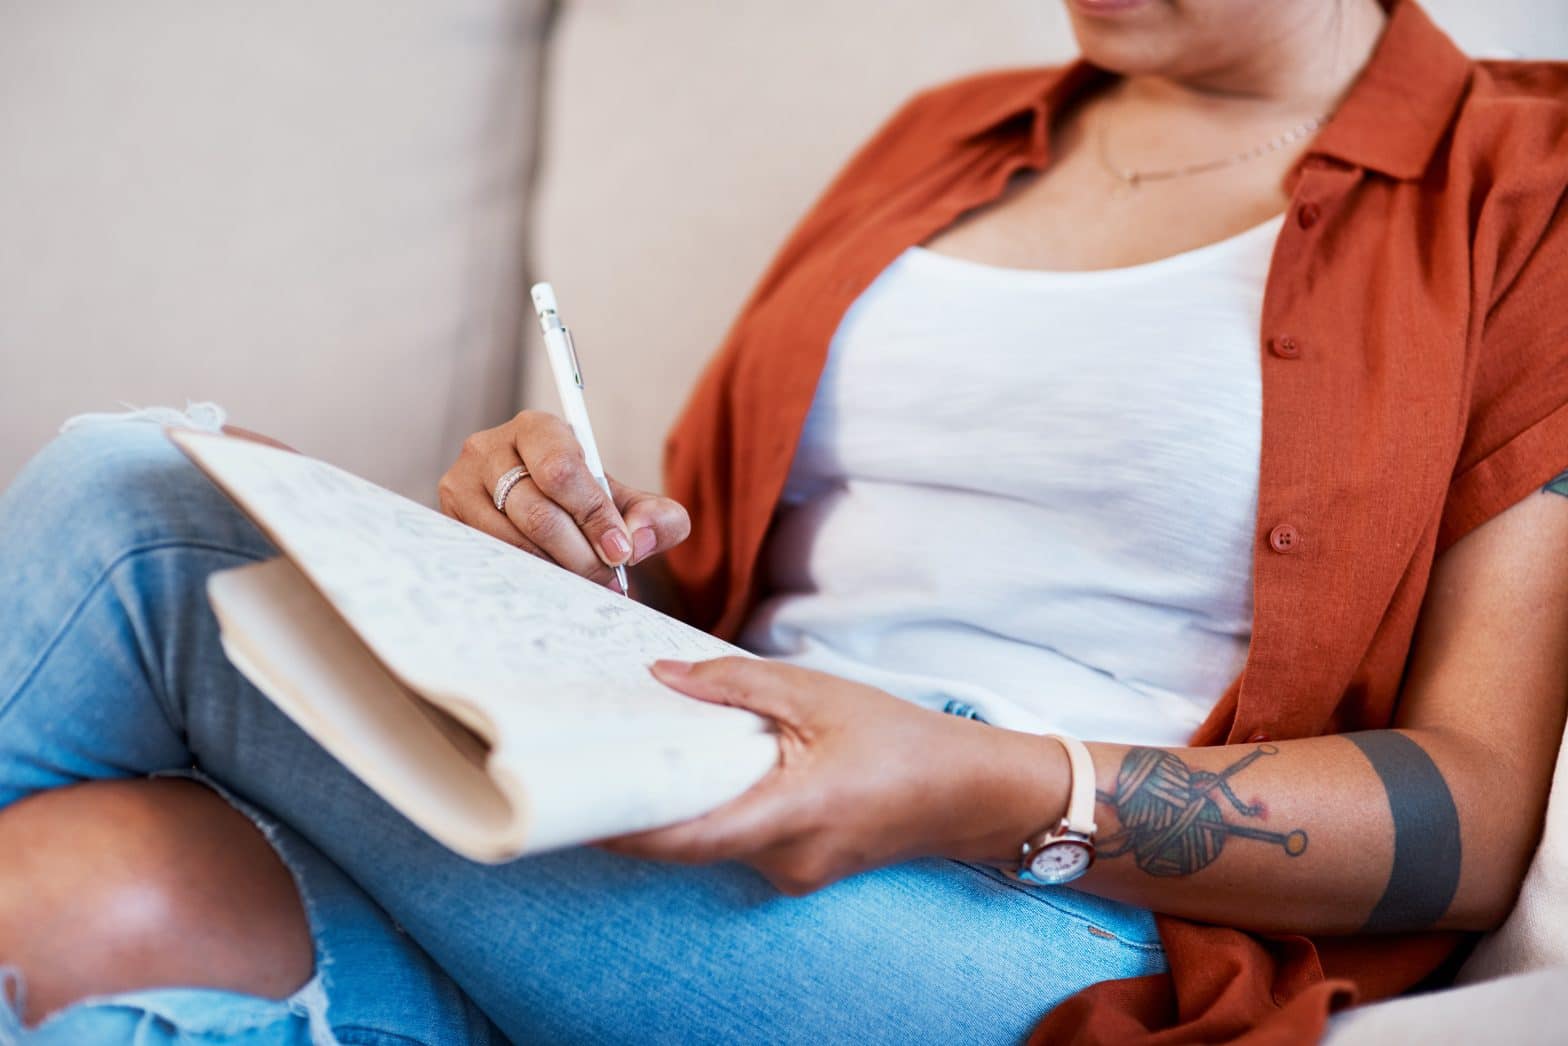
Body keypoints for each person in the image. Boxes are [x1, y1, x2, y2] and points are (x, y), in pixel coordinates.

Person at [3, 0, 1566, 1042]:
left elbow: (1468, 825)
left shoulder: (1528, 185)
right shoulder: (944, 140)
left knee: (137, 503)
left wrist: (968, 780)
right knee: (69, 900)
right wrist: (553, 540)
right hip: (714, 767)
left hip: (1050, 911)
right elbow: (709, 575)